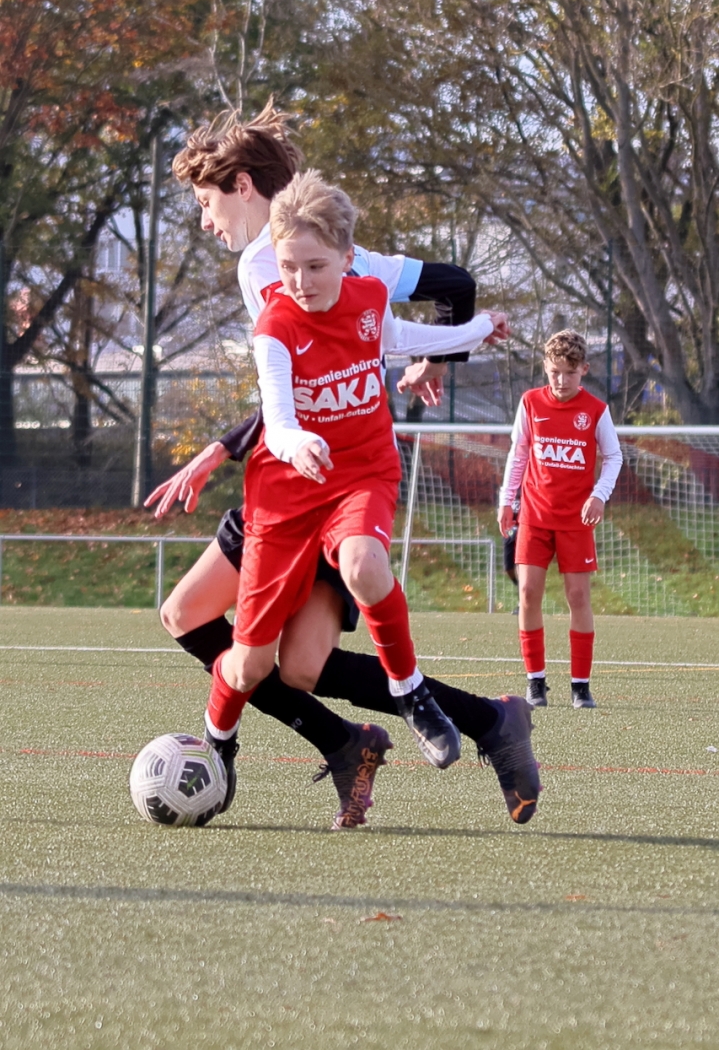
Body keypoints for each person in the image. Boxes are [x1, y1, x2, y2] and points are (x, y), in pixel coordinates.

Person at [147, 102, 539, 827]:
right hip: (295, 461)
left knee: (227, 634)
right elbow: (454, 286)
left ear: (241, 186)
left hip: (323, 474)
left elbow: (325, 363)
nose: (205, 221)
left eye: (205, 203)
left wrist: (428, 354)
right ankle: (416, 730)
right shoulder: (338, 258)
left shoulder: (265, 264)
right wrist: (436, 356)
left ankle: (431, 727)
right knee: (276, 656)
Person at [497, 330, 623, 709]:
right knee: (527, 593)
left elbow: (614, 457)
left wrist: (599, 496)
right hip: (534, 515)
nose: (561, 380)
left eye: (569, 372)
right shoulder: (530, 403)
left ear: (584, 369)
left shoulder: (596, 411)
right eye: (554, 372)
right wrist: (507, 501)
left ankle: (580, 686)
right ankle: (535, 682)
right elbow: (518, 453)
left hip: (576, 520)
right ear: (545, 368)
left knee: (578, 596)